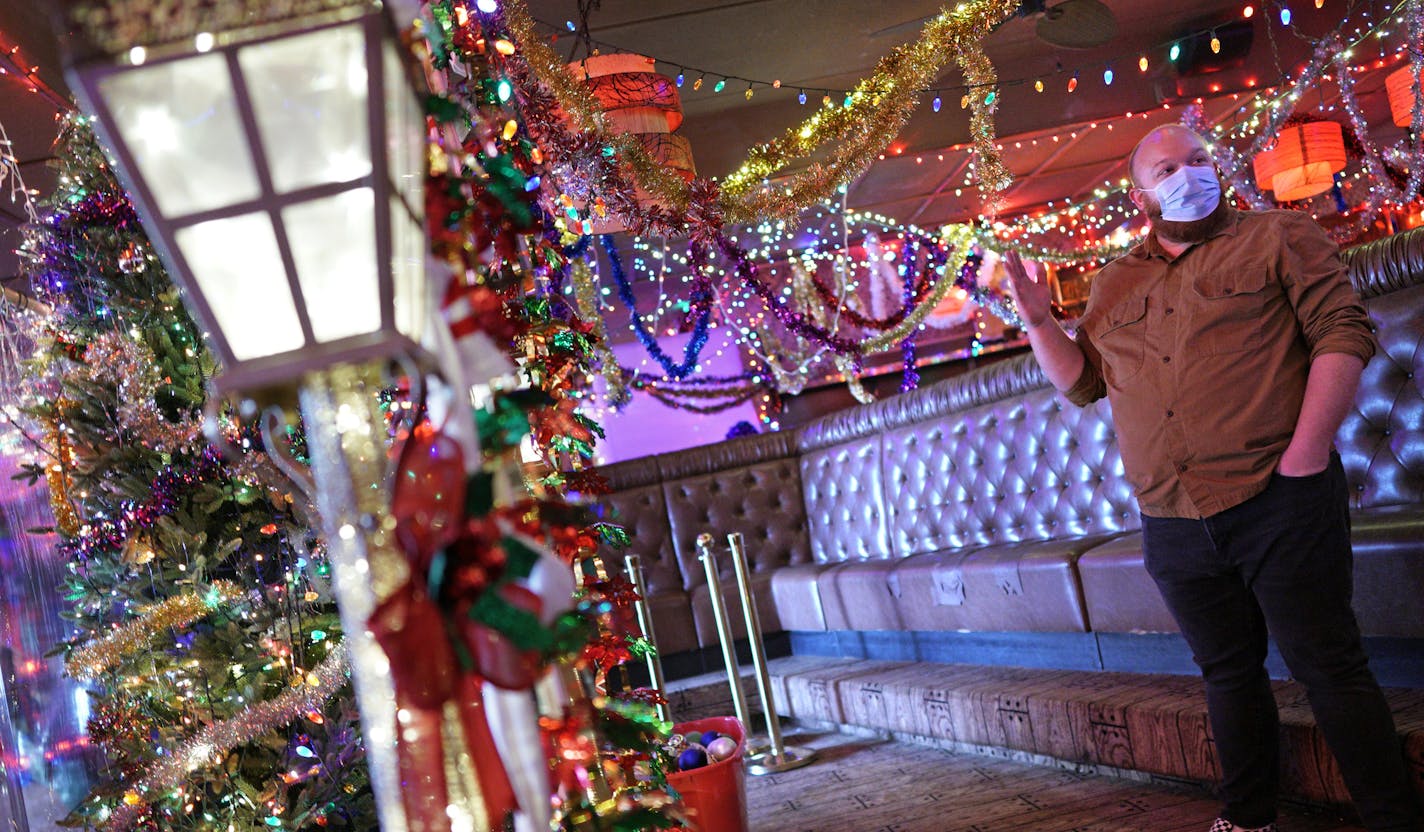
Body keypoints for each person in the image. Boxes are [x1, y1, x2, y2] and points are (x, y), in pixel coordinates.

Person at [1003, 124, 1422, 832]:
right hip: (1171, 515)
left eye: (1198, 160)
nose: (1186, 174)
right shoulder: (1116, 279)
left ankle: (1394, 821)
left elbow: (1343, 334)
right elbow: (1084, 385)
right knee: (1227, 673)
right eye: (1167, 167)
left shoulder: (1279, 236)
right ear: (1142, 196)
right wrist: (1042, 322)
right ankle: (1248, 817)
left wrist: (1305, 460)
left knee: (1329, 668)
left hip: (1279, 494)